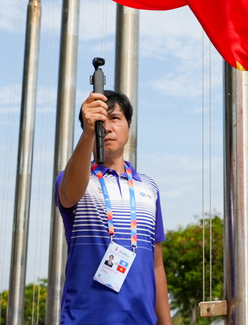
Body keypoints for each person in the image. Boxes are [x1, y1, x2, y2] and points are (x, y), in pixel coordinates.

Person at [55, 89, 172, 325]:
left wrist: (166, 322)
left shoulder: (149, 187)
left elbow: (157, 264)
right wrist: (89, 134)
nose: (107, 127)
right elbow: (68, 194)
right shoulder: (75, 178)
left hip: (142, 320)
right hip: (85, 319)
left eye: (115, 118)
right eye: (100, 120)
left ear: (129, 126)